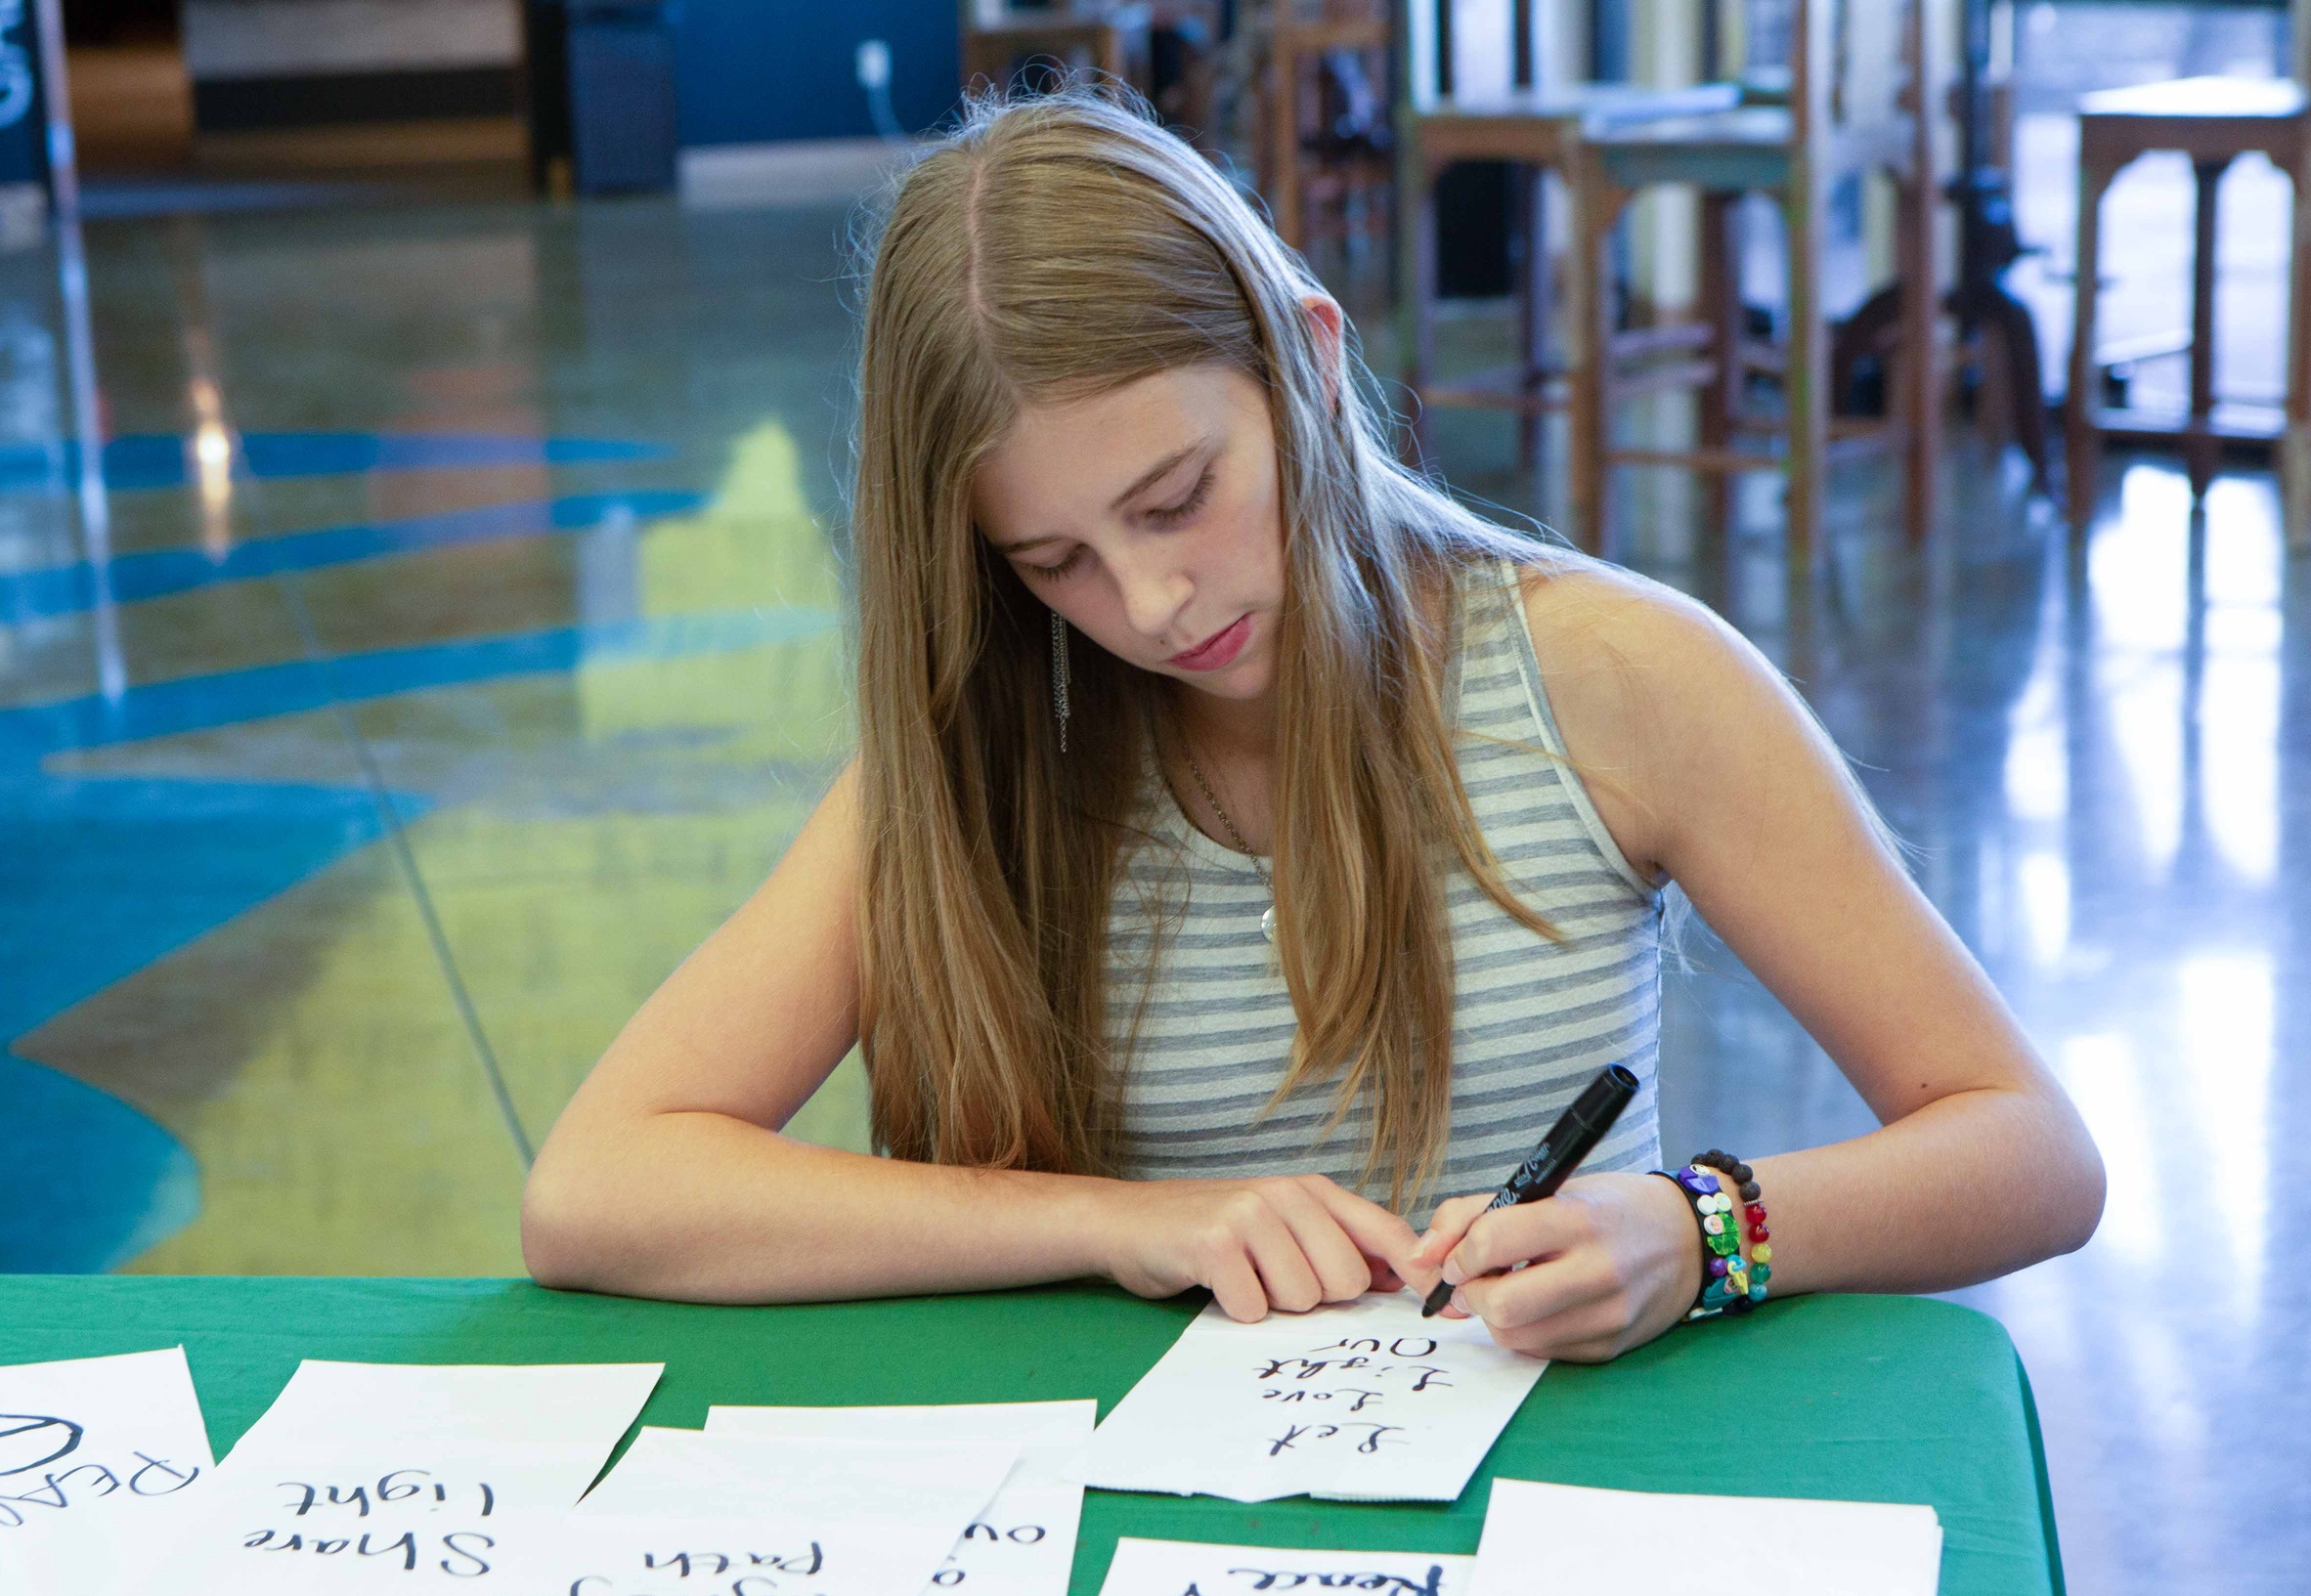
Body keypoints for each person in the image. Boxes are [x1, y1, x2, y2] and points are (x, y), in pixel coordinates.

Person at [518, 87, 2102, 1361]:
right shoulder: (982, 755)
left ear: (1311, 364)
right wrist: (1119, 1221)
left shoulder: (1613, 679)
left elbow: (2029, 1153)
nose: (1147, 605)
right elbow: (599, 1190)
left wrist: (1702, 1232)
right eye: (1053, 560)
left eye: (1180, 496)